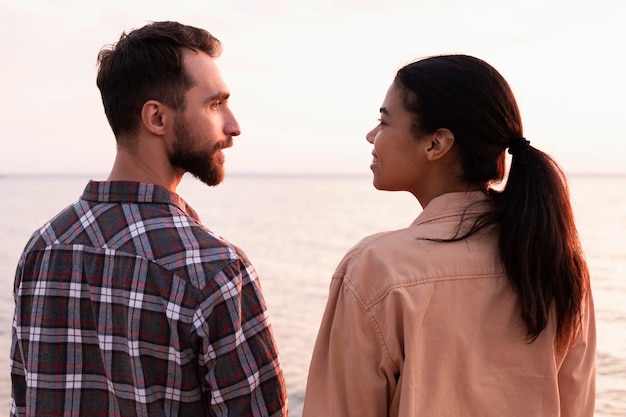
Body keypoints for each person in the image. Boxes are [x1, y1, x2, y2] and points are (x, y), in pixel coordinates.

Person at [11, 21, 288, 417]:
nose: (233, 125)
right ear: (156, 118)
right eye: (214, 105)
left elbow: (23, 403)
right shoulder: (216, 273)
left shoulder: (41, 250)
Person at [302, 54, 595, 416]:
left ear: (436, 144)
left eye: (383, 121)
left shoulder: (378, 269)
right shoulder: (558, 262)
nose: (371, 135)